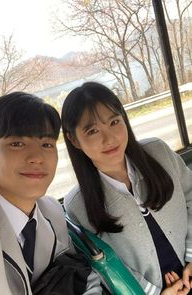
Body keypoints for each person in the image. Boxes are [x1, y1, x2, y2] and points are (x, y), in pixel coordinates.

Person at [0, 92, 103, 295]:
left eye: (46, 144)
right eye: (18, 144)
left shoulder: (52, 212)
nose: (37, 157)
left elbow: (78, 276)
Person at [61, 81, 192, 295]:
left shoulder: (158, 152)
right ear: (74, 140)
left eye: (114, 122)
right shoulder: (78, 203)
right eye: (93, 130)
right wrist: (154, 293)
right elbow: (106, 266)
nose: (109, 138)